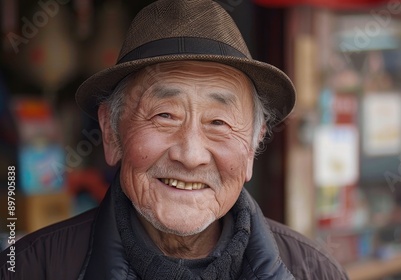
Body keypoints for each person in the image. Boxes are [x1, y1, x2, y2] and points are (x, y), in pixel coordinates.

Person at [1, 0, 348, 279]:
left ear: (253, 146)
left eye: (219, 121)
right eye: (164, 116)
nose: (191, 154)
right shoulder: (30, 268)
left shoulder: (314, 271)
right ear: (111, 132)